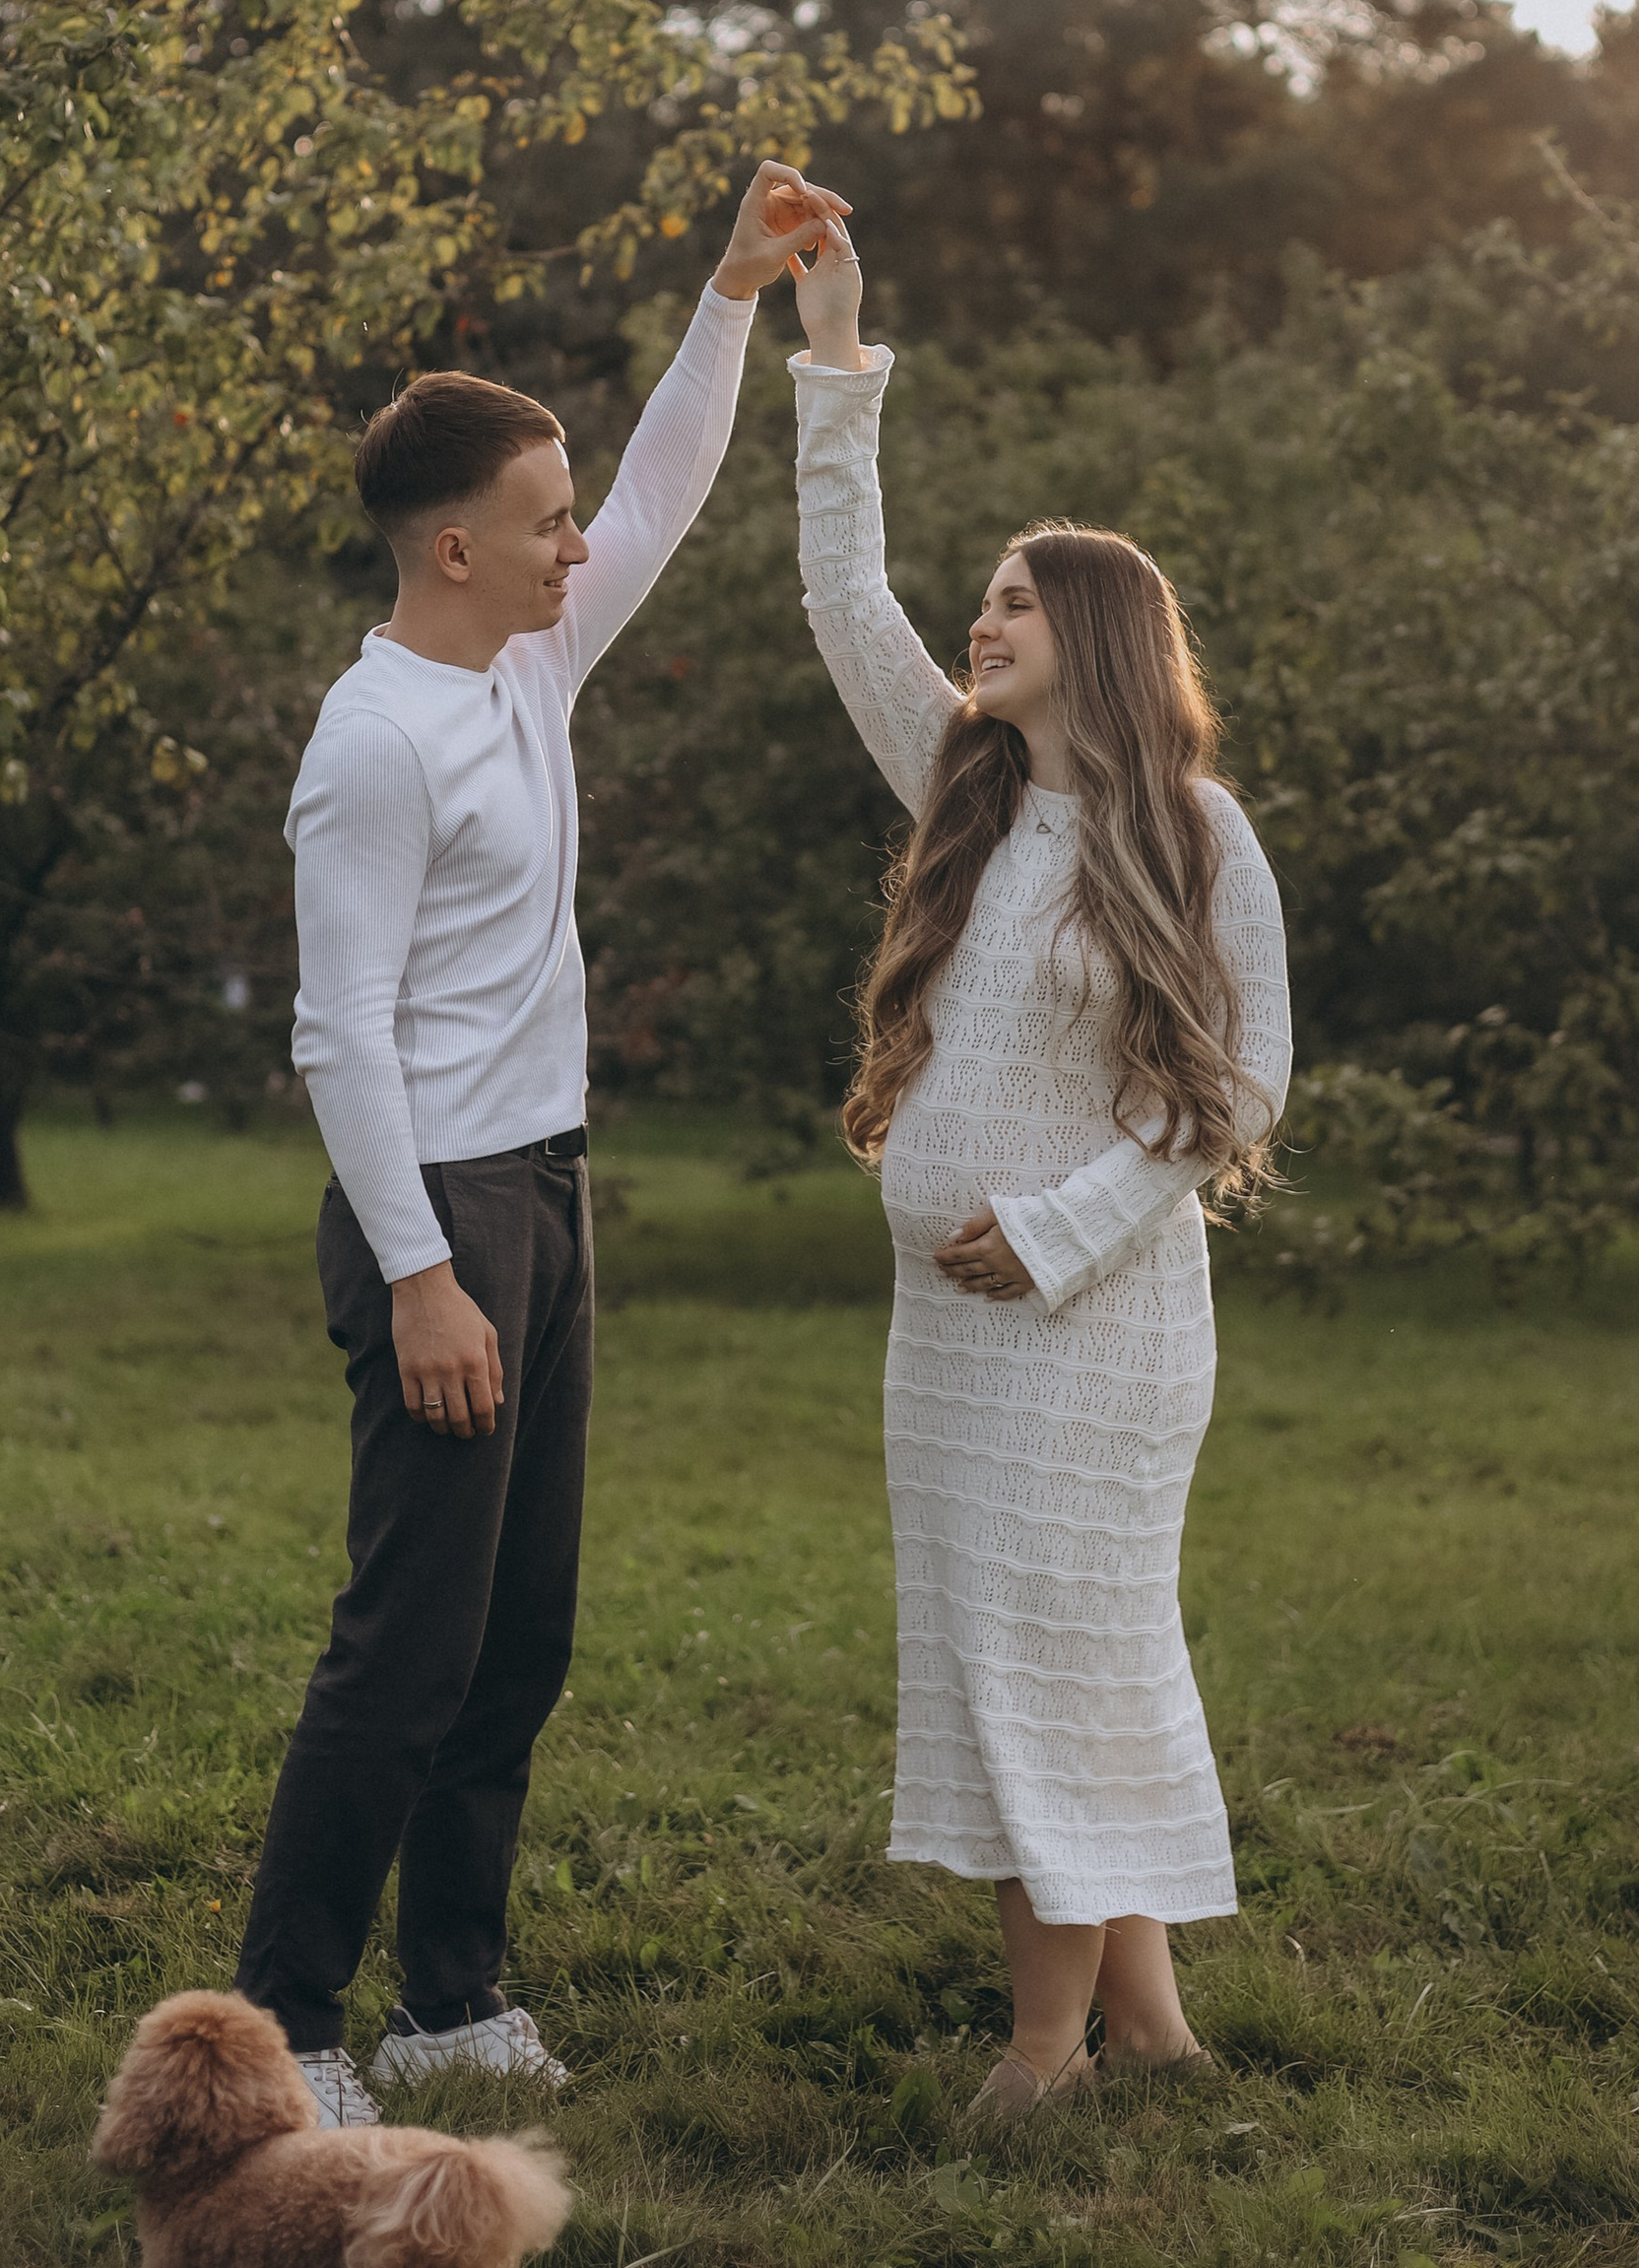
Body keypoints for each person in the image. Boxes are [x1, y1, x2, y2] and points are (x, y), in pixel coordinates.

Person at [233, 160, 850, 2127]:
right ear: (447, 553)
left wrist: (731, 297)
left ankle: (451, 2000)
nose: (578, 543)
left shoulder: (524, 660)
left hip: (549, 1192)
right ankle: (289, 2035)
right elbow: (339, 1034)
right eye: (540, 522)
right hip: (441, 1214)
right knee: (402, 1651)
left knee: (518, 1638)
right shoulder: (373, 748)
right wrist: (422, 1273)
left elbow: (665, 488)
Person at [786, 219, 1290, 2116]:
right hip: (949, 1335)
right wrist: (839, 360)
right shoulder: (968, 795)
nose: (977, 623)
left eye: (1009, 599)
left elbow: (1238, 1087)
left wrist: (1060, 1230)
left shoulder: (1198, 836)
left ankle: (1042, 2048)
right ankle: (1147, 2029)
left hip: (1102, 1332)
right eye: (980, 598)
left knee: (1053, 1659)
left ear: (1092, 632)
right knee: (1040, 1655)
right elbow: (845, 594)